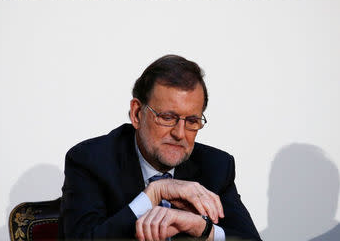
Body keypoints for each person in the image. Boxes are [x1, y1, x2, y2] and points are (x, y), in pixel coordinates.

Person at [60, 55, 261, 240]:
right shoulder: (91, 160)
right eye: (167, 118)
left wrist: (202, 228)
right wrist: (155, 192)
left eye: (192, 121)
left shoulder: (216, 166)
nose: (179, 134)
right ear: (137, 114)